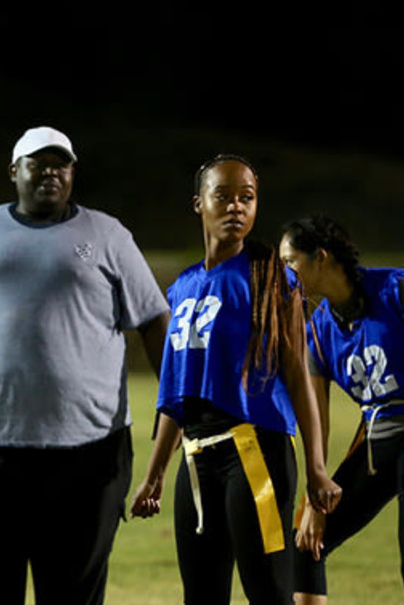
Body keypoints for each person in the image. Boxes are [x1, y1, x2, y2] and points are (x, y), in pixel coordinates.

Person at [0, 126, 170, 604]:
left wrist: (171, 402)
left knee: (71, 593)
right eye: (39, 164)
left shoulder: (107, 235)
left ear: (73, 173)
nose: (51, 172)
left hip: (85, 454)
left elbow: (155, 321)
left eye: (62, 164)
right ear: (14, 172)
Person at [129, 154, 341, 605]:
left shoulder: (271, 278)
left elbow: (298, 375)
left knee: (268, 592)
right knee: (201, 595)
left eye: (246, 197)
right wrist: (154, 475)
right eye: (222, 196)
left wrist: (317, 466)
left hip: (254, 452)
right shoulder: (182, 286)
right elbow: (176, 395)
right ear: (198, 203)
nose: (236, 207)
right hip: (195, 459)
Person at [280, 215, 404, 605]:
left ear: (320, 257)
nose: (285, 275)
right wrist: (316, 497)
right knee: (305, 541)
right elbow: (318, 423)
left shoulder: (397, 289)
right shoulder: (316, 329)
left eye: (290, 262)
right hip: (377, 443)